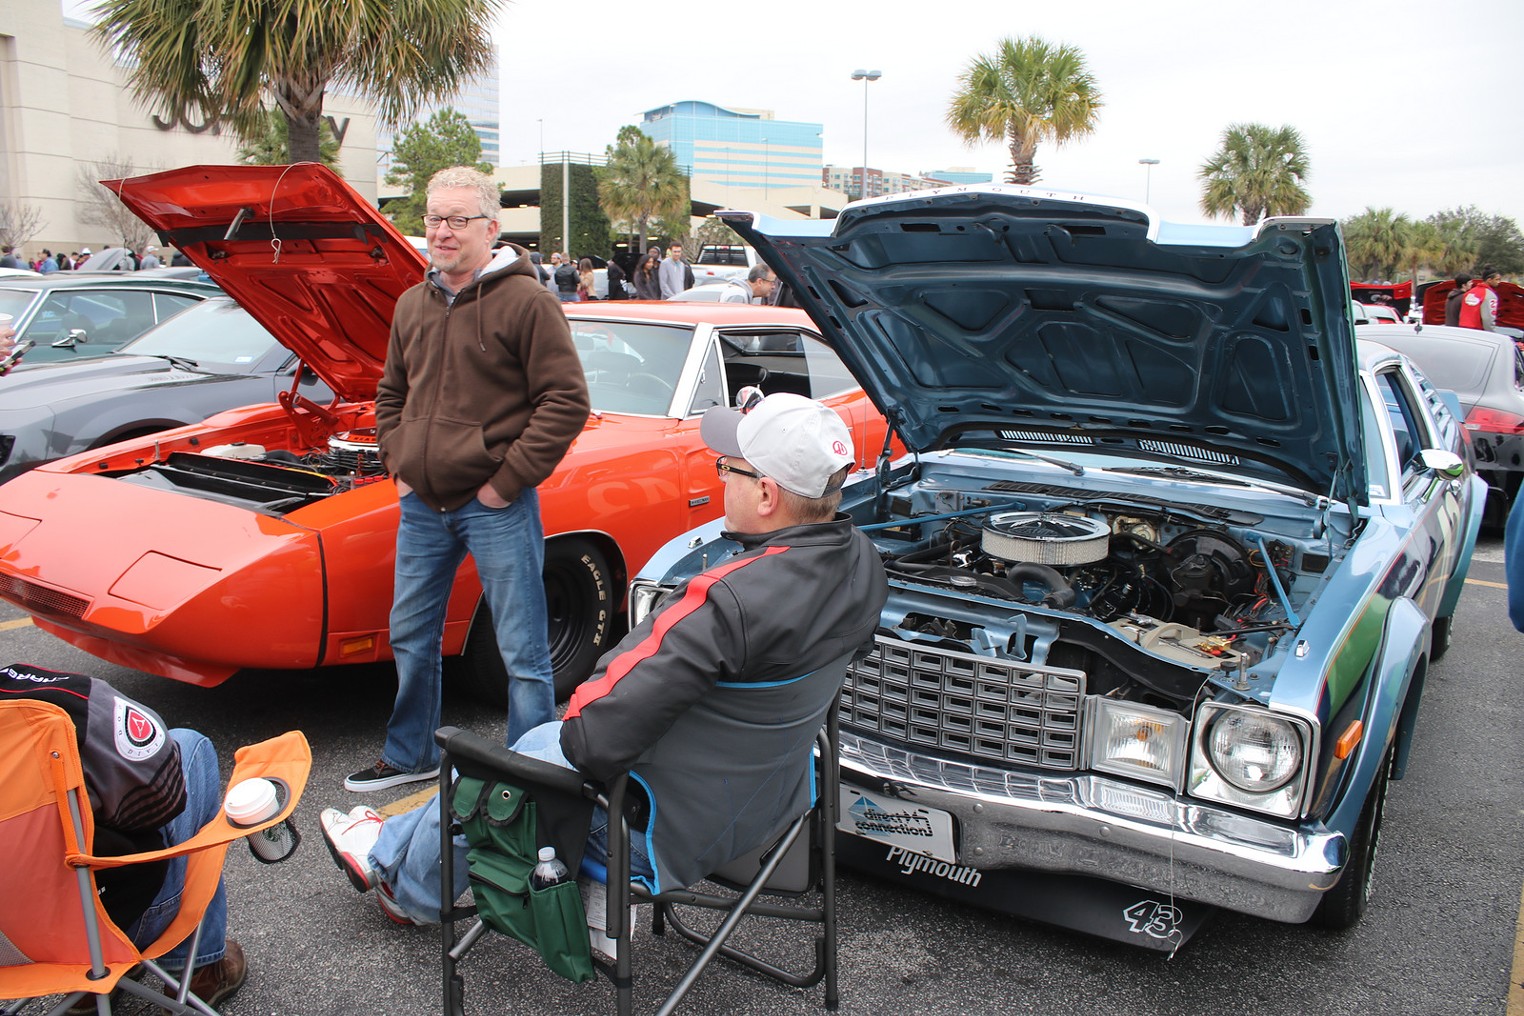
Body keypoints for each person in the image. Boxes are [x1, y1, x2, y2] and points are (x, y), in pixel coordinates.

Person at [319, 392, 888, 924]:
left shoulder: (726, 600)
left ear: (766, 494)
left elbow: (590, 739)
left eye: (728, 469)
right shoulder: (864, 564)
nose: (722, 482)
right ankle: (387, 844)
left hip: (655, 837)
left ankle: (402, 883)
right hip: (770, 805)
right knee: (535, 746)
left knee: (506, 760)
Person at [347, 166, 590, 793]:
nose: (443, 232)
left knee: (523, 649)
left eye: (458, 220)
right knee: (411, 634)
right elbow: (390, 393)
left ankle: (533, 772)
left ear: (491, 226)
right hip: (423, 503)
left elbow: (564, 401)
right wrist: (400, 467)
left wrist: (503, 484)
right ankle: (410, 755)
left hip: (496, 504)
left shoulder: (528, 301)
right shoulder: (412, 302)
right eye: (433, 219)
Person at [0, 663, 247, 1009]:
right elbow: (164, 792)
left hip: (9, 953)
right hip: (104, 929)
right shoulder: (51, 700)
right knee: (190, 746)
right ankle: (200, 972)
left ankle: (88, 992)